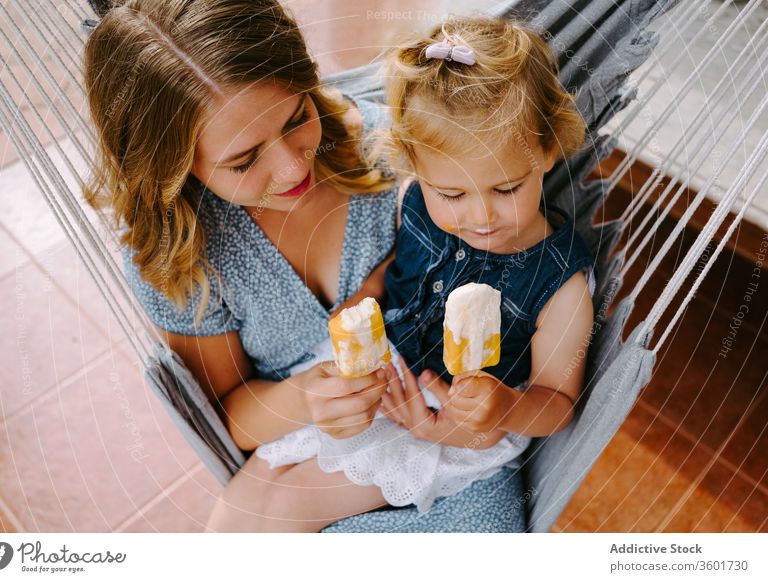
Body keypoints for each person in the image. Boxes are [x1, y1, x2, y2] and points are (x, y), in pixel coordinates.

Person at [82, 0, 528, 533]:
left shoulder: (392, 148)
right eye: (244, 160)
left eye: (297, 118)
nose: (294, 165)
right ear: (171, 169)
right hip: (311, 450)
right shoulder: (185, 260)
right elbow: (229, 417)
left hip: (449, 441)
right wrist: (306, 399)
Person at [233, 15, 597, 531]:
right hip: (379, 373)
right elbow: (390, 273)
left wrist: (506, 407)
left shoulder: (561, 285)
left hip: (445, 423)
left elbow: (557, 403)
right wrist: (361, 302)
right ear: (413, 168)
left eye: (506, 188)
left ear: (548, 150)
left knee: (285, 508)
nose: (481, 216)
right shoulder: (416, 204)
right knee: (250, 488)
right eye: (452, 194)